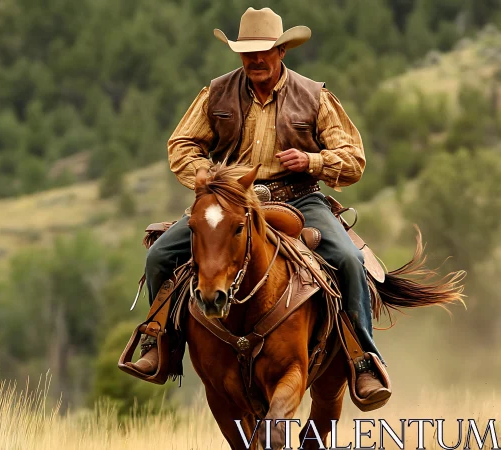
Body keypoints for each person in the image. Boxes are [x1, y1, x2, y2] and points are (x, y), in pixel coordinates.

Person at [126, 7, 390, 402]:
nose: (254, 59)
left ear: (281, 51)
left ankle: (362, 360)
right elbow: (181, 145)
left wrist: (313, 161)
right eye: (246, 52)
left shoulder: (315, 97)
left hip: (299, 199)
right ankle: (160, 345)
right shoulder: (215, 93)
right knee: (160, 257)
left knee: (350, 262)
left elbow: (353, 158)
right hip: (231, 201)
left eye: (263, 50)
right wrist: (210, 179)